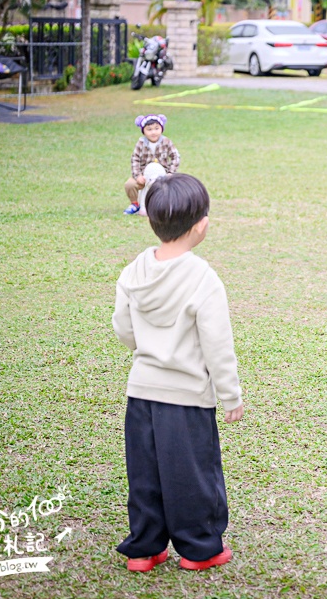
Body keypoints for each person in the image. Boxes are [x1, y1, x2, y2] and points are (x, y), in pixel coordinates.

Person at [112, 173, 244, 572]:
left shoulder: (134, 272)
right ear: (201, 225)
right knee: (192, 475)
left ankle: (144, 549)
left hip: (141, 394)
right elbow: (217, 344)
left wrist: (147, 350)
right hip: (187, 399)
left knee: (145, 475)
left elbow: (123, 328)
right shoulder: (203, 279)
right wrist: (231, 395)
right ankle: (200, 549)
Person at [124, 114, 181, 216]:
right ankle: (135, 204)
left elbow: (175, 156)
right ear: (144, 131)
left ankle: (167, 205)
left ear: (161, 129)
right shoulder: (141, 143)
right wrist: (138, 176)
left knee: (176, 185)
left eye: (156, 128)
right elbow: (135, 159)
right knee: (130, 184)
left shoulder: (166, 141)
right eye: (149, 129)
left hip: (162, 175)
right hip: (145, 176)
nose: (153, 132)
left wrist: (170, 173)